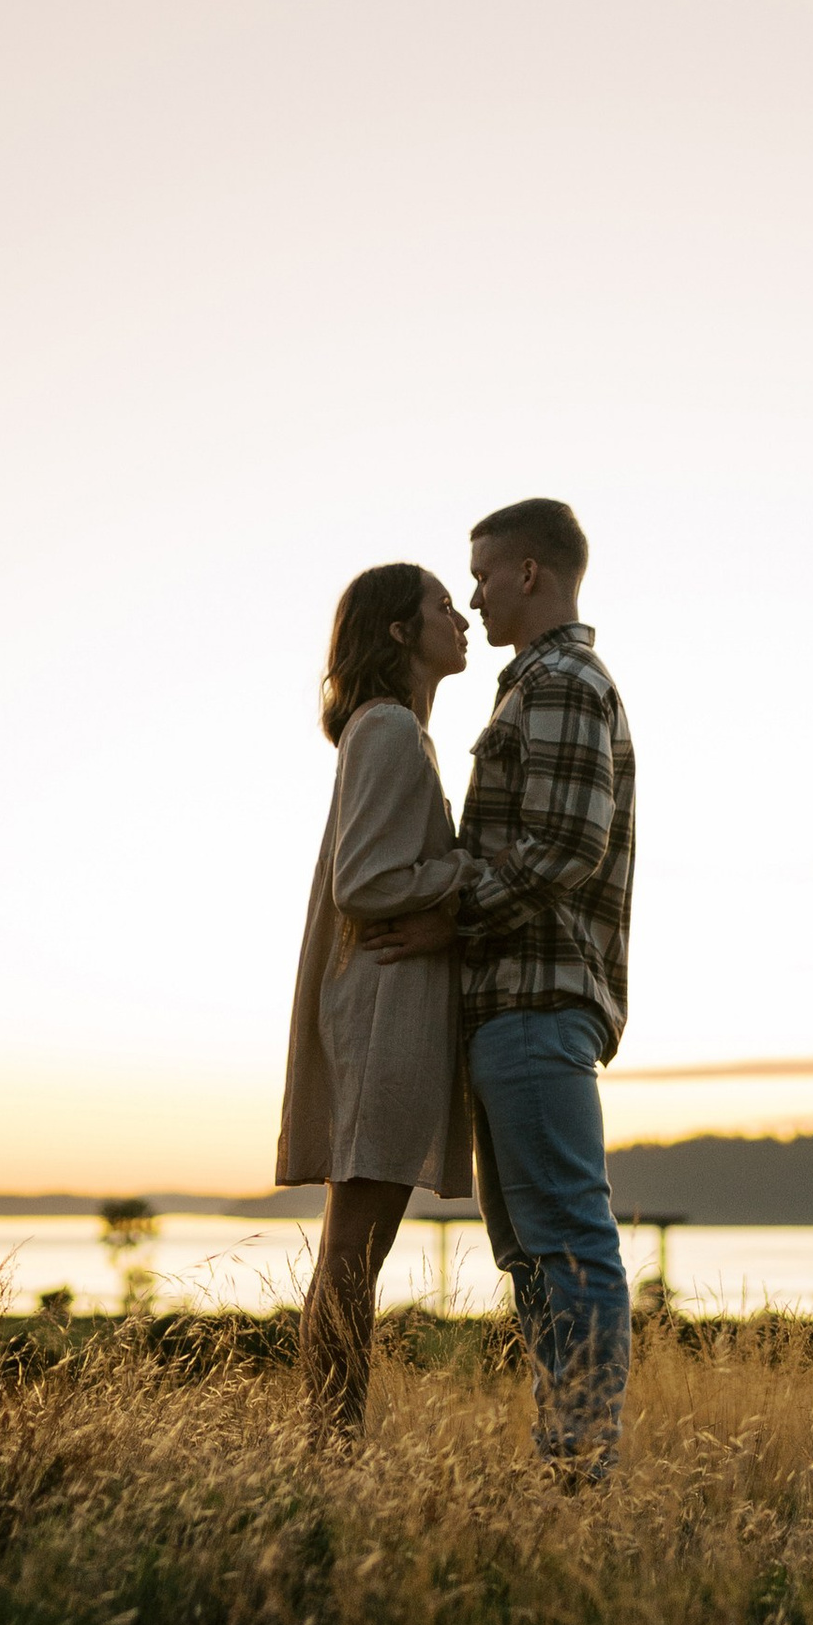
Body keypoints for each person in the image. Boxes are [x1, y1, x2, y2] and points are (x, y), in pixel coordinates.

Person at [367, 496, 635, 1475]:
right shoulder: (533, 686)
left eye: (481, 575)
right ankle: (566, 1458)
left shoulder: (561, 681)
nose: (472, 597)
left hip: (536, 1005)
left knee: (564, 1245)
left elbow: (564, 848)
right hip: (511, 1012)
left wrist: (447, 913)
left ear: (529, 573)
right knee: (533, 1254)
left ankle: (581, 1466)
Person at [277, 561, 474, 1434]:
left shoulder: (385, 729)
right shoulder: (392, 728)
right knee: (356, 1252)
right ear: (400, 632)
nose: (461, 615)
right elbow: (366, 882)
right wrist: (468, 876)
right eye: (442, 605)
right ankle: (333, 1440)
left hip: (381, 1001)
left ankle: (329, 1436)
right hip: (385, 1008)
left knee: (350, 1249)